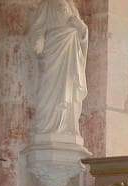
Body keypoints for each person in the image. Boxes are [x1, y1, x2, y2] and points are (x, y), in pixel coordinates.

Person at [30, 0, 88, 137]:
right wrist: (39, 39)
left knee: (69, 88)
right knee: (48, 89)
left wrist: (82, 29)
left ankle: (67, 127)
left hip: (70, 53)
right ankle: (46, 127)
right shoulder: (47, 4)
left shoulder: (72, 6)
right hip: (53, 51)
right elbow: (37, 27)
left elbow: (82, 34)